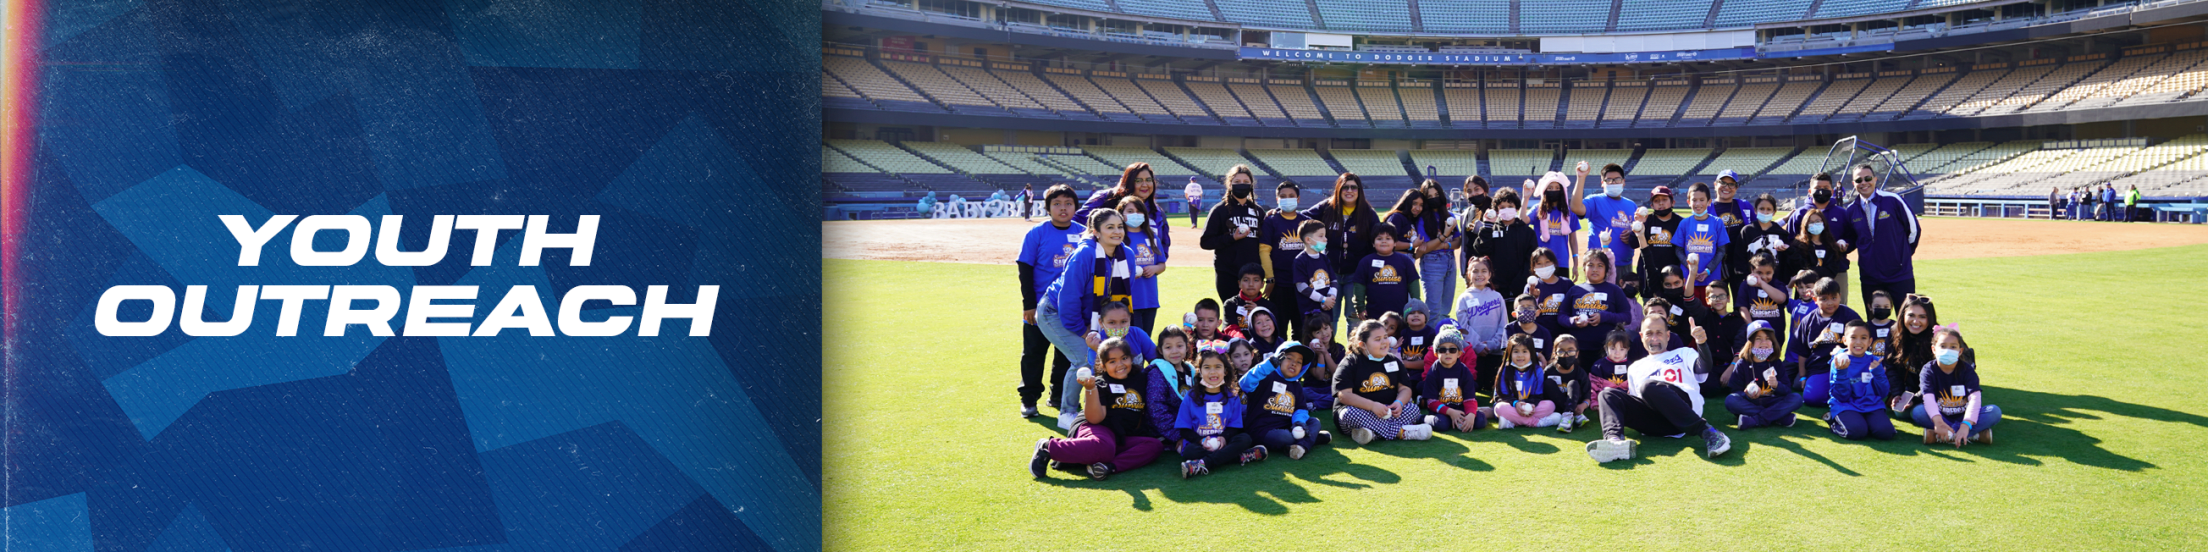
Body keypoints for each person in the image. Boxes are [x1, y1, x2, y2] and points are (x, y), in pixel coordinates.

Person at [1038, 209, 1139, 429]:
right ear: (1096, 232)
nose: (1116, 231)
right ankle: (1068, 412)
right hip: (1054, 312)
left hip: (1094, 317)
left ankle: (1105, 405)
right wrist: (1085, 333)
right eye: (1109, 227)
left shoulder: (1127, 255)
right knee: (1084, 358)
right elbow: (1069, 298)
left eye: (1120, 226)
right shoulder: (1085, 254)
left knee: (1109, 355)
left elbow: (1122, 297)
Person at [1585, 316, 1732, 462]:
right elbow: (1639, 402)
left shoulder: (1684, 353)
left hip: (1685, 411)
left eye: (1659, 332)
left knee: (1648, 386)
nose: (1654, 338)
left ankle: (1709, 432)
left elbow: (1704, 367)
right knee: (1607, 394)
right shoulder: (1635, 367)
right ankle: (1615, 442)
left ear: (1668, 335)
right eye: (1649, 333)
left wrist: (1702, 343)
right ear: (1641, 337)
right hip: (1659, 423)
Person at [1029, 337, 1164, 480]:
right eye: (1112, 361)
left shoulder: (1141, 378)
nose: (1120, 364)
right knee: (1104, 447)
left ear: (1131, 359)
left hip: (1120, 436)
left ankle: (1106, 467)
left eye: (1124, 358)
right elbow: (1095, 418)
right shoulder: (1100, 383)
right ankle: (1048, 447)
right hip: (1095, 427)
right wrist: (1090, 389)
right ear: (1103, 366)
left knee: (1153, 445)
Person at [1016, 185, 1086, 417]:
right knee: (1034, 354)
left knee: (1066, 355)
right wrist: (1028, 304)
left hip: (1071, 309)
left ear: (1075, 206)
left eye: (1068, 203)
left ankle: (1058, 396)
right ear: (1048, 208)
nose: (1063, 208)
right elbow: (1025, 269)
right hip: (1040, 308)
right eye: (1056, 204)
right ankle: (1029, 399)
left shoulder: (1084, 233)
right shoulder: (1037, 233)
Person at [1333, 320, 1434, 444]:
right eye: (1377, 339)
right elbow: (1344, 396)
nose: (1384, 342)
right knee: (1349, 414)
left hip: (1388, 411)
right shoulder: (1350, 363)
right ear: (1363, 345)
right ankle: (1401, 433)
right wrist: (1372, 406)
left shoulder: (1393, 360)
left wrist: (1399, 403)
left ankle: (1371, 434)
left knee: (1413, 409)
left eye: (1385, 337)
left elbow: (1405, 388)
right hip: (1360, 412)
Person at [1303, 173, 1379, 329]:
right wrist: (1278, 212)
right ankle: (1329, 352)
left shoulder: (1368, 214)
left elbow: (1378, 240)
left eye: (1353, 187)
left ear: (1359, 190)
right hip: (1330, 275)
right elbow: (1302, 217)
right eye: (1345, 187)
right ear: (1338, 189)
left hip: (1356, 276)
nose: (1349, 190)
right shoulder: (1327, 208)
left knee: (1354, 320)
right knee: (1329, 318)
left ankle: (1354, 352)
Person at [1176, 351, 1268, 478]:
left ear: (1225, 371)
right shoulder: (1191, 396)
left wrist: (1224, 438)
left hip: (1225, 442)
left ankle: (1204, 464)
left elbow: (1235, 426)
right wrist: (1201, 440)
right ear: (1200, 371)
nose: (1212, 372)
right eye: (1207, 367)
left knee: (1245, 438)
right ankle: (1240, 456)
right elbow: (1184, 429)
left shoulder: (1232, 396)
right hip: (1201, 444)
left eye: (1218, 367)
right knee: (1190, 452)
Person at [1844, 164, 1921, 311]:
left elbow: (1914, 230)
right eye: (1859, 180)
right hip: (1869, 276)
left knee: (1906, 318)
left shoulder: (1893, 200)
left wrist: (1902, 255)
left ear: (1875, 179)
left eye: (1867, 178)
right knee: (1874, 322)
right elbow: (1853, 238)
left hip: (1899, 274)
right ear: (1854, 184)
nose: (1864, 183)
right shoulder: (1851, 210)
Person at [1238, 341, 1332, 459]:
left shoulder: (1296, 386)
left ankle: (1300, 447)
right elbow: (1244, 384)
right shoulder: (1266, 376)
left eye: (1299, 362)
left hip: (1288, 426)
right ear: (1279, 358)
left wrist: (1299, 423)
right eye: (1289, 358)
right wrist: (1268, 365)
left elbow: (1301, 409)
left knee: (1314, 422)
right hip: (1262, 430)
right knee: (1285, 437)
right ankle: (1312, 439)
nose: (1294, 364)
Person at [1910, 326, 1998, 446]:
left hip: (1965, 416)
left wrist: (1966, 425)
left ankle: (1946, 436)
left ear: (1960, 351)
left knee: (1994, 411)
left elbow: (1975, 398)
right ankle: (1974, 435)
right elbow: (1928, 398)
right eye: (1943, 346)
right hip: (1941, 416)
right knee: (1918, 412)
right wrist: (1938, 422)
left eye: (1953, 347)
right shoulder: (1928, 370)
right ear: (1933, 349)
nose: (1948, 350)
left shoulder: (1967, 369)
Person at [1789, 277, 1860, 408]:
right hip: (1819, 367)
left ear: (1840, 297)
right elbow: (1802, 352)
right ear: (1815, 299)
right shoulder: (1808, 320)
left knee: (1861, 392)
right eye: (1824, 299)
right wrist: (1803, 376)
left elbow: (1861, 340)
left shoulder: (1849, 315)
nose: (1830, 303)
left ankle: (1843, 395)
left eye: (1834, 298)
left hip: (1846, 366)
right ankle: (1838, 397)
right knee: (1812, 398)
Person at [1200, 165, 1265, 302]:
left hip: (1252, 276)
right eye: (1237, 182)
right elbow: (1206, 242)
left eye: (1246, 182)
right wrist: (1232, 237)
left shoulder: (1258, 211)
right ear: (1230, 184)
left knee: (1253, 316)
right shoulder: (1219, 210)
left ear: (1251, 185)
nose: (1242, 185)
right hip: (1228, 274)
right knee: (1233, 316)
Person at [1570, 162, 1639, 287]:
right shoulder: (1595, 201)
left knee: (1624, 303)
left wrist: (1632, 234)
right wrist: (1581, 178)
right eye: (1609, 180)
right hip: (1599, 266)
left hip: (1625, 265)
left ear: (1623, 182)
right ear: (1603, 183)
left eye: (1617, 179)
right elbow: (1576, 207)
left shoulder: (1631, 205)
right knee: (1600, 303)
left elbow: (1637, 231)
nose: (1613, 183)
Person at [1786, 173, 1854, 301]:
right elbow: (1790, 242)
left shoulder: (1842, 213)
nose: (1822, 191)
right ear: (1810, 191)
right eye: (1818, 188)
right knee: (1805, 309)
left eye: (1826, 187)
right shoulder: (1799, 214)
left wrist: (1844, 244)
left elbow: (1852, 237)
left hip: (1837, 270)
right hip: (1806, 274)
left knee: (1837, 308)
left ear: (1832, 191)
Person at [1078, 162, 1170, 256]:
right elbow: (1077, 225)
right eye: (1138, 180)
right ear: (1128, 182)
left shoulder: (1157, 212)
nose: (1145, 184)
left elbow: (1163, 245)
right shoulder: (1105, 198)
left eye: (1148, 180)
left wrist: (1155, 265)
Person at [1722, 321, 1801, 429]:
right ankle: (1778, 417)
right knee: (1731, 400)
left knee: (1797, 398)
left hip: (1773, 401)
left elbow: (1787, 391)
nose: (1764, 342)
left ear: (1772, 341)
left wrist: (1777, 385)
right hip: (1750, 403)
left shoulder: (1776, 362)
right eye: (1758, 338)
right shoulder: (1742, 363)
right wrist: (1746, 394)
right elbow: (1735, 391)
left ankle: (1755, 420)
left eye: (1768, 338)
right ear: (1750, 342)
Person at [1560, 249, 1630, 368]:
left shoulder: (1614, 290)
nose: (1595, 269)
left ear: (1606, 269)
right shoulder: (1574, 290)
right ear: (1584, 268)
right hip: (1578, 350)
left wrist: (1604, 316)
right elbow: (1562, 316)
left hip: (1605, 350)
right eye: (1590, 265)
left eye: (1600, 266)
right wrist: (1573, 321)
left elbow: (1626, 317)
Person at [1827, 321, 1895, 441]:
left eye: (1863, 338)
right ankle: (1833, 422)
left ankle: (1865, 422)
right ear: (1844, 340)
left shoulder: (1874, 361)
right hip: (1846, 405)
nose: (1858, 342)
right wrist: (1842, 372)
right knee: (1857, 432)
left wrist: (1878, 373)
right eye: (1853, 337)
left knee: (1886, 432)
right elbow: (1841, 397)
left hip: (1871, 405)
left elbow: (1883, 394)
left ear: (1870, 341)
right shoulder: (1838, 362)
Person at [1258, 181, 1308, 341]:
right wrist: (1270, 278)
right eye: (1283, 196)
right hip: (1279, 285)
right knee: (1278, 329)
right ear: (1277, 199)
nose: (1288, 199)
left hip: (1302, 286)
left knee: (1301, 330)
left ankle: (1300, 363)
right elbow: (1264, 251)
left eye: (1291, 196)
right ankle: (1278, 364)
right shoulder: (1271, 221)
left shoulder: (1306, 222)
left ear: (1298, 199)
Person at [1388, 185, 1454, 307]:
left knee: (1409, 303)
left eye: (1421, 205)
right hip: (1395, 265)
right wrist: (1412, 245)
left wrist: (1420, 251)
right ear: (1407, 202)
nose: (1418, 208)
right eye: (1415, 204)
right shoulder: (1397, 217)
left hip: (1408, 263)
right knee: (1398, 302)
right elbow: (1388, 244)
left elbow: (1412, 252)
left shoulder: (1412, 220)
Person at [1453, 257, 1510, 397]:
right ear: (1468, 274)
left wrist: (1493, 344)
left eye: (1484, 271)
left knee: (1494, 386)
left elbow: (1503, 324)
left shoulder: (1497, 297)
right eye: (1475, 271)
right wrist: (1477, 345)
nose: (1479, 275)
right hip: (1474, 353)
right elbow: (1463, 327)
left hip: (1494, 352)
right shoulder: (1464, 298)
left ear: (1490, 274)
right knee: (1476, 386)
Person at [1468, 189, 1538, 297]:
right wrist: (1487, 227)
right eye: (1502, 207)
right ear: (1496, 210)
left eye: (1510, 206)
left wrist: (1520, 281)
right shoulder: (1489, 229)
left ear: (1517, 208)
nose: (1507, 209)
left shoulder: (1527, 232)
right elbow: (1481, 251)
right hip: (1495, 287)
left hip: (1520, 288)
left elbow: (1531, 260)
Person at [1421, 325, 1492, 432]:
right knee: (1442, 424)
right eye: (1442, 349)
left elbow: (1470, 398)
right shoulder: (1434, 371)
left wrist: (1471, 415)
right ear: (1436, 353)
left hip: (1460, 409)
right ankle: (1421, 418)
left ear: (1459, 353)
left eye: (1452, 349)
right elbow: (1431, 402)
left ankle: (1462, 419)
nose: (1447, 353)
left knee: (1480, 421)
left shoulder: (1464, 371)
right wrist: (1450, 412)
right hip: (1441, 411)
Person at [1346, 222, 1422, 321]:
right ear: (1373, 243)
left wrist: (1416, 305)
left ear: (1395, 242)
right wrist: (1360, 307)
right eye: (1379, 239)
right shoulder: (1366, 262)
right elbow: (1359, 286)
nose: (1384, 241)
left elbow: (1413, 283)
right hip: (1373, 314)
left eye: (1388, 238)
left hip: (1400, 314)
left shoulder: (1405, 261)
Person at [1116, 196, 1168, 333]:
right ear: (1121, 214)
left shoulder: (1152, 237)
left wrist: (1155, 268)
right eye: (1130, 211)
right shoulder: (1118, 238)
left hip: (1150, 300)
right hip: (1128, 301)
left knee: (1145, 340)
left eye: (1139, 211)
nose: (1136, 215)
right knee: (1132, 342)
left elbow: (1162, 265)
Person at [1673, 182, 1732, 301]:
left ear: (1709, 201)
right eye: (1694, 200)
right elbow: (1678, 249)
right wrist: (1690, 268)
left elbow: (1721, 250)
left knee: (1710, 313)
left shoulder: (1717, 222)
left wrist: (1708, 270)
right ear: (1688, 202)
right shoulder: (1684, 223)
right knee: (1690, 311)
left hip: (1711, 279)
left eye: (1702, 200)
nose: (1698, 204)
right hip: (1688, 278)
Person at [1491, 334, 1560, 429]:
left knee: (1550, 405)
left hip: (1529, 406)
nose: (1520, 355)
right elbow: (1500, 396)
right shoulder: (1504, 370)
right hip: (1511, 406)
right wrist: (1516, 404)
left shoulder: (1537, 370)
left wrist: (1531, 405)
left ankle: (1512, 422)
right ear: (1510, 353)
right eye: (1516, 351)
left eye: (1524, 351)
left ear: (1531, 353)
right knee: (1499, 408)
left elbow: (1537, 396)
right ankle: (1538, 423)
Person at [1888, 293, 1940, 415]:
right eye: (1911, 315)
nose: (1916, 321)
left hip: (1935, 392)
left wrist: (1916, 398)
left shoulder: (1938, 337)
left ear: (1930, 318)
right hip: (1909, 390)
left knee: (1919, 413)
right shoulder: (1894, 333)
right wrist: (1897, 394)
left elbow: (1937, 378)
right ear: (1903, 315)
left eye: (1922, 317)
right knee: (1899, 413)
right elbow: (1890, 366)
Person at [1527, 172, 1582, 280]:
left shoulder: (1569, 212)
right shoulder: (1537, 210)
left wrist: (1575, 264)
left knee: (1561, 296)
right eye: (1550, 187)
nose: (1554, 190)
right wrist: (1526, 198)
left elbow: (1573, 240)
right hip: (1541, 262)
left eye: (1557, 188)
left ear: (1562, 191)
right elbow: (1523, 221)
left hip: (1562, 262)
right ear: (1545, 189)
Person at [1633, 186, 1685, 294]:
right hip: (1649, 275)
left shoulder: (1681, 223)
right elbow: (1632, 243)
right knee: (1651, 308)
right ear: (1652, 205)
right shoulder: (1647, 221)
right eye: (1657, 201)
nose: (1661, 203)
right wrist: (1639, 224)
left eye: (1665, 200)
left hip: (1673, 278)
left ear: (1673, 202)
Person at [1291, 219, 1340, 325]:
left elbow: (1334, 280)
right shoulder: (1300, 261)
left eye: (1325, 235)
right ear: (1308, 239)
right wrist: (1322, 299)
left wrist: (1331, 298)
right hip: (1310, 312)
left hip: (1326, 309)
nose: (1325, 239)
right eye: (1321, 236)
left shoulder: (1324, 258)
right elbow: (1302, 287)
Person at [1545, 334, 1594, 433]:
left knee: (1573, 383)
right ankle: (1573, 414)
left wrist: (1582, 407)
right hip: (1556, 407)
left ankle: (1569, 415)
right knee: (1548, 383)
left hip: (1576, 403)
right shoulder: (1549, 371)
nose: (1566, 355)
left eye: (1570, 351)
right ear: (1555, 353)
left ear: (1576, 354)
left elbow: (1587, 395)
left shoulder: (1580, 372)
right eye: (1561, 351)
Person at [1505, 293, 1555, 363]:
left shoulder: (1544, 332)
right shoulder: (1510, 329)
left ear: (1537, 313)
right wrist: (1538, 355)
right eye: (1522, 308)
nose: (1526, 311)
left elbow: (1548, 357)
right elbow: (1507, 353)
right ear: (1514, 314)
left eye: (1530, 308)